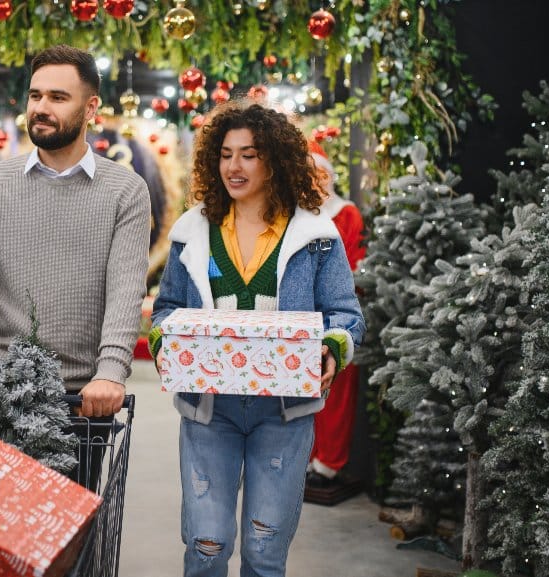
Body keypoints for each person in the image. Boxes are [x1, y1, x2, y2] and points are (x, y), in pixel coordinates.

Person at [148, 100, 364, 577]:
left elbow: (345, 316)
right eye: (226, 154)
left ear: (275, 159)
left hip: (283, 414)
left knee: (266, 553)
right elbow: (166, 311)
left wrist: (330, 350)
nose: (234, 166)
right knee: (207, 547)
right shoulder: (193, 230)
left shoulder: (315, 235)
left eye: (249, 154)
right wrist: (168, 345)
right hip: (209, 409)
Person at [0, 45, 151, 424]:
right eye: (35, 95)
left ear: (91, 108)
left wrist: (111, 372)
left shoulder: (125, 190)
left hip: (82, 396)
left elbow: (125, 291)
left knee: (75, 487)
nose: (40, 107)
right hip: (2, 387)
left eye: (58, 97)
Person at [307, 140, 368, 488]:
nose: (317, 182)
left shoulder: (346, 214)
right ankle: (308, 455)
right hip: (302, 317)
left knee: (337, 393)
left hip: (334, 315)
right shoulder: (298, 215)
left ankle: (330, 460)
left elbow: (353, 267)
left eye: (322, 175)